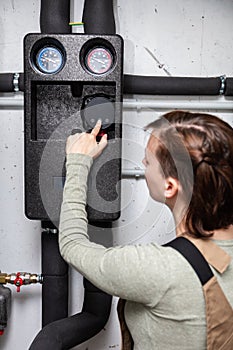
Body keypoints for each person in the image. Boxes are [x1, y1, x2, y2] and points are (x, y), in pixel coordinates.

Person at [59, 111, 233, 350]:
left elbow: (72, 244)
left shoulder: (158, 268)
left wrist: (78, 162)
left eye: (148, 161)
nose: (142, 164)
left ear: (169, 186)